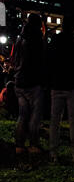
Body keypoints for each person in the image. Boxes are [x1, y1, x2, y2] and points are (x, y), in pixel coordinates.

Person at [47, 14, 74, 163]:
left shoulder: (55, 41)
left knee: (54, 121)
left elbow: (48, 61)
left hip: (57, 85)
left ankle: (53, 153)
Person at [12, 13, 45, 155]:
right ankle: (33, 144)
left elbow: (15, 59)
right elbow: (41, 61)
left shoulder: (20, 38)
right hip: (33, 82)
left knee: (23, 114)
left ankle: (19, 144)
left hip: (19, 81)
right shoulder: (37, 39)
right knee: (35, 116)